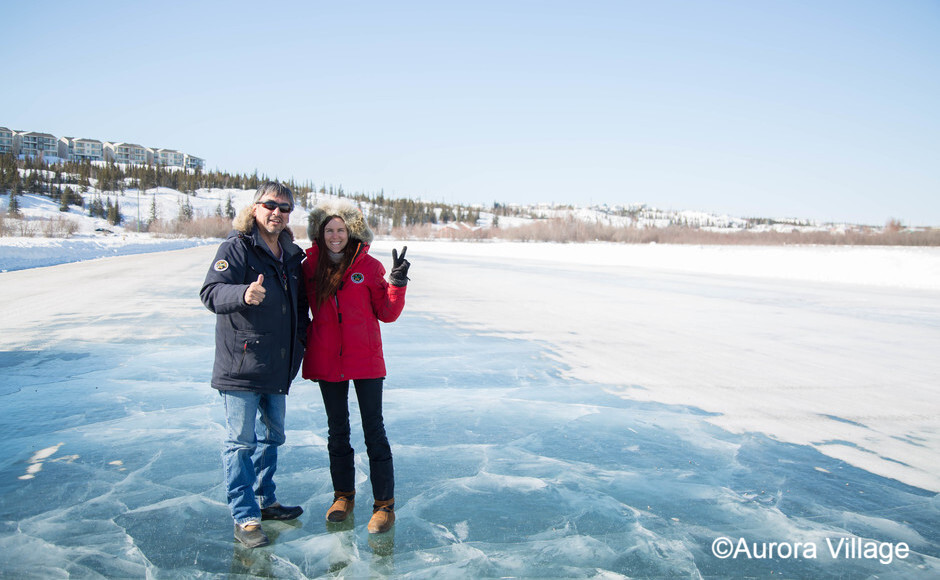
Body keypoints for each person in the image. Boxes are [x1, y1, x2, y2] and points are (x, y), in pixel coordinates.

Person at [200, 181, 310, 548]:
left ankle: (265, 500)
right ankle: (245, 516)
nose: (278, 213)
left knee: (273, 437)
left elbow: (300, 308)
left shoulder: (292, 255)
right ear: (255, 208)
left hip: (278, 366)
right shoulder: (237, 248)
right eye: (271, 206)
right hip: (241, 366)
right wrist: (242, 293)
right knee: (241, 443)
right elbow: (211, 292)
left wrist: (303, 341)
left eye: (285, 208)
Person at [301, 198, 410, 534]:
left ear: (351, 232)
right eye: (329, 230)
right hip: (327, 358)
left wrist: (396, 284)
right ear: (320, 234)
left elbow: (387, 314)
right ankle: (343, 496)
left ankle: (384, 506)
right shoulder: (308, 266)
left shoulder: (371, 266)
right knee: (338, 431)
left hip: (366, 360)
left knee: (374, 431)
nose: (335, 235)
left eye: (341, 230)